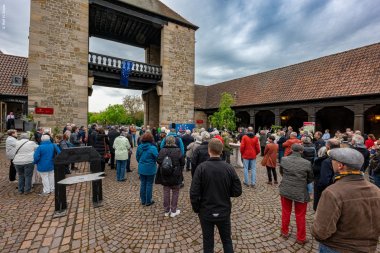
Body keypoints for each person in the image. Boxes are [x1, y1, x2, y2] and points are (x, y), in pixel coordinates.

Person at [311, 148, 380, 253]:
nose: (331, 162)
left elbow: (321, 231)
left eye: (332, 160)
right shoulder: (376, 191)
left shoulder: (332, 192)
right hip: (368, 248)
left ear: (340, 166)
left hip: (336, 247)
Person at [190, 138, 242, 253]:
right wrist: (225, 192)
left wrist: (197, 208)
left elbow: (194, 192)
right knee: (227, 240)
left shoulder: (201, 168)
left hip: (206, 211)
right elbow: (237, 191)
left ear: (209, 150)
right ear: (221, 150)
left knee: (208, 242)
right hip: (223, 210)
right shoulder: (229, 168)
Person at [279, 144, 313, 245]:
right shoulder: (307, 163)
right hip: (300, 191)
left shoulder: (284, 159)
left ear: (291, 150)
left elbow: (282, 172)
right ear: (301, 151)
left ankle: (284, 232)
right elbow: (310, 178)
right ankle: (301, 238)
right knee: (300, 215)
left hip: (286, 189)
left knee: (286, 212)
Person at [156, 136, 185, 217]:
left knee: (166, 192)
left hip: (165, 174)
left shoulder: (162, 150)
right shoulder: (178, 150)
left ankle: (166, 210)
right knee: (175, 192)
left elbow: (158, 160)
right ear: (174, 142)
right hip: (176, 174)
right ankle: (173, 211)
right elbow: (183, 162)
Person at [136, 132, 158, 206]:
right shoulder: (153, 148)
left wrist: (142, 162)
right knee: (149, 184)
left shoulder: (139, 147)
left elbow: (137, 158)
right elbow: (157, 158)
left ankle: (143, 200)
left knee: (143, 184)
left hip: (142, 168)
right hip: (150, 168)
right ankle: (148, 201)